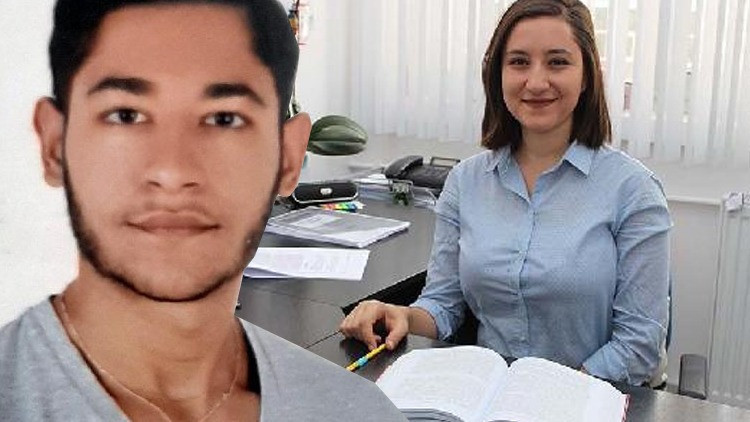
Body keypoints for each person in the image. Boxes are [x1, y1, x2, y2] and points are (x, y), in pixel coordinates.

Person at [0, 0, 406, 420]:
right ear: (54, 145)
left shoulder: (359, 413)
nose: (172, 171)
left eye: (224, 119)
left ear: (287, 158)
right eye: (126, 115)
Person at [341, 0, 670, 386]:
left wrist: (555, 392)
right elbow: (443, 305)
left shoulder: (633, 190)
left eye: (557, 62)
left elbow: (640, 344)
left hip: (588, 396)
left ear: (586, 77)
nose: (536, 81)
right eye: (518, 62)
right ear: (497, 74)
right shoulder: (466, 182)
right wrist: (402, 315)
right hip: (488, 394)